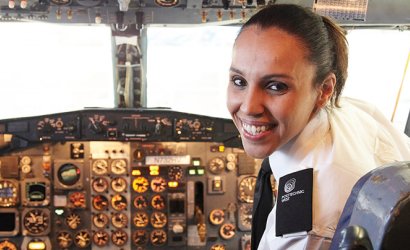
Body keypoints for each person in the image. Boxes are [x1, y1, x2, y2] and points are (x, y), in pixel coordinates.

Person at [226, 4, 410, 250]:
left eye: (276, 86)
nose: (249, 107)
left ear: (324, 90)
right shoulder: (349, 109)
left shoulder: (308, 227)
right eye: (239, 81)